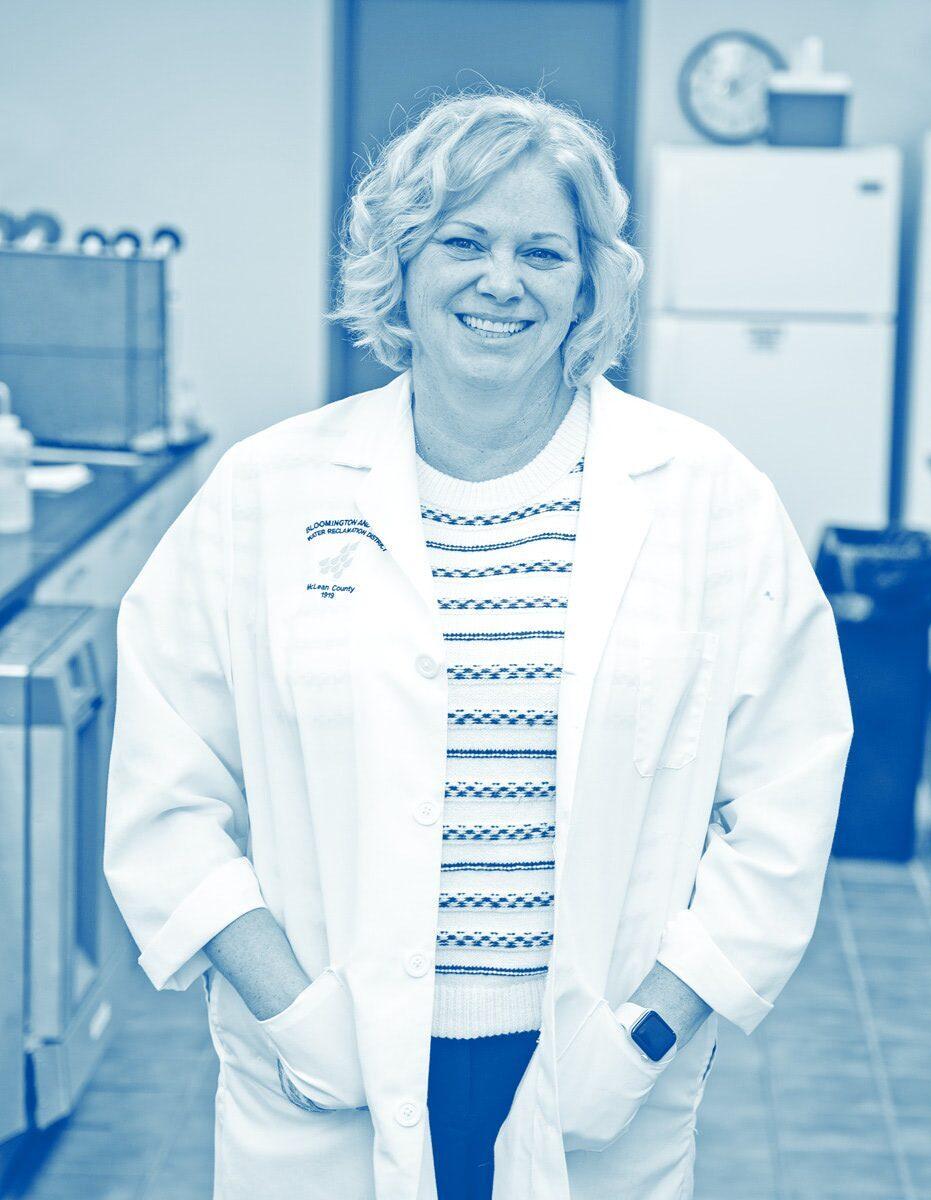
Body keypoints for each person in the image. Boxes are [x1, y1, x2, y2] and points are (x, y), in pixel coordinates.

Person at [104, 90, 853, 1200]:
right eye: (463, 242)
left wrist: (647, 1031)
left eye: (542, 252)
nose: (501, 281)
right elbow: (165, 796)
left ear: (588, 285)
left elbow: (786, 798)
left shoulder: (706, 498)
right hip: (330, 1062)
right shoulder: (266, 492)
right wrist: (289, 1010)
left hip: (590, 1063)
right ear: (401, 264)